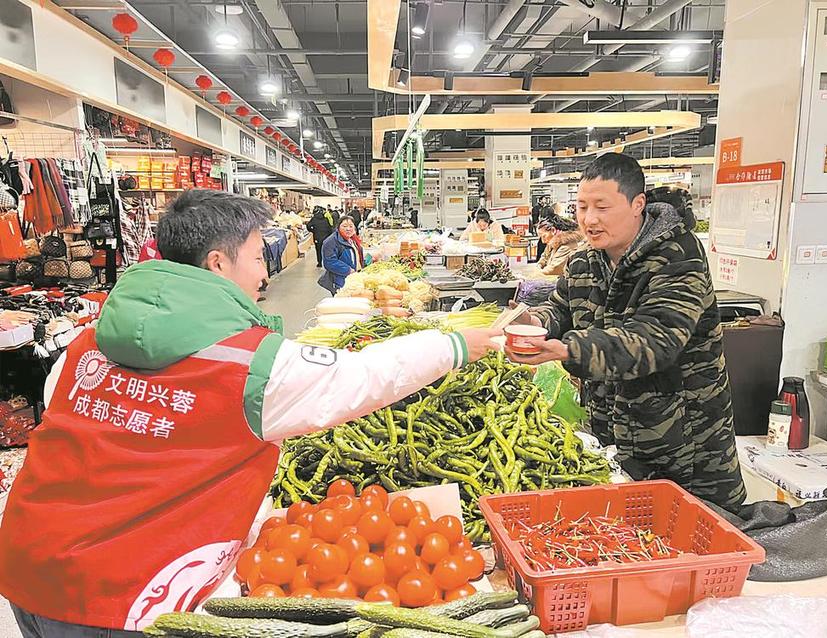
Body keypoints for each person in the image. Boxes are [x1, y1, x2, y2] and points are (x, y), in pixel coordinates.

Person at [0, 189, 499, 638]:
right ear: (219, 263)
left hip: (27, 568)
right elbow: (362, 377)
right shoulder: (250, 363)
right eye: (259, 257)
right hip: (121, 596)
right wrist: (455, 343)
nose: (265, 272)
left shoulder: (84, 346)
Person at [506, 153, 745, 511]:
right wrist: (535, 324)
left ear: (638, 204)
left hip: (684, 446)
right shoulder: (587, 259)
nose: (589, 219)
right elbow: (560, 306)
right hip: (613, 434)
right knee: (627, 538)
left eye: (601, 207)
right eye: (581, 207)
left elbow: (655, 341)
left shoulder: (678, 257)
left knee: (693, 538)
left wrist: (566, 349)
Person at [319, 215, 368, 294]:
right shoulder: (331, 241)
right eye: (344, 226)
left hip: (353, 278)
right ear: (338, 227)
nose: (348, 229)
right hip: (340, 281)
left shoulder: (352, 239)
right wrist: (348, 270)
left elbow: (356, 256)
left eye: (351, 226)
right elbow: (330, 262)